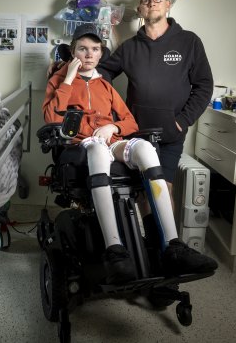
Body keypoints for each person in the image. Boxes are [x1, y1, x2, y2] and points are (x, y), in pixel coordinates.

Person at [43, 23, 217, 285]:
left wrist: (113, 126)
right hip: (82, 145)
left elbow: (130, 123)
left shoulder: (105, 86)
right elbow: (50, 117)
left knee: (145, 147)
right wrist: (67, 77)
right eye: (82, 49)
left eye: (94, 49)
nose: (89, 54)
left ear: (101, 54)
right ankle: (115, 249)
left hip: (111, 142)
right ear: (72, 52)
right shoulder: (59, 80)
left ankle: (172, 245)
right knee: (97, 150)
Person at [99, 0, 214, 208]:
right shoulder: (129, 47)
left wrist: (182, 122)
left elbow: (204, 86)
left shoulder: (189, 41)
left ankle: (168, 243)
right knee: (142, 192)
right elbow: (102, 72)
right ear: (140, 9)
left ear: (168, 4)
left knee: (162, 191)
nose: (152, 3)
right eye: (145, 0)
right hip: (135, 132)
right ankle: (151, 240)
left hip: (171, 132)